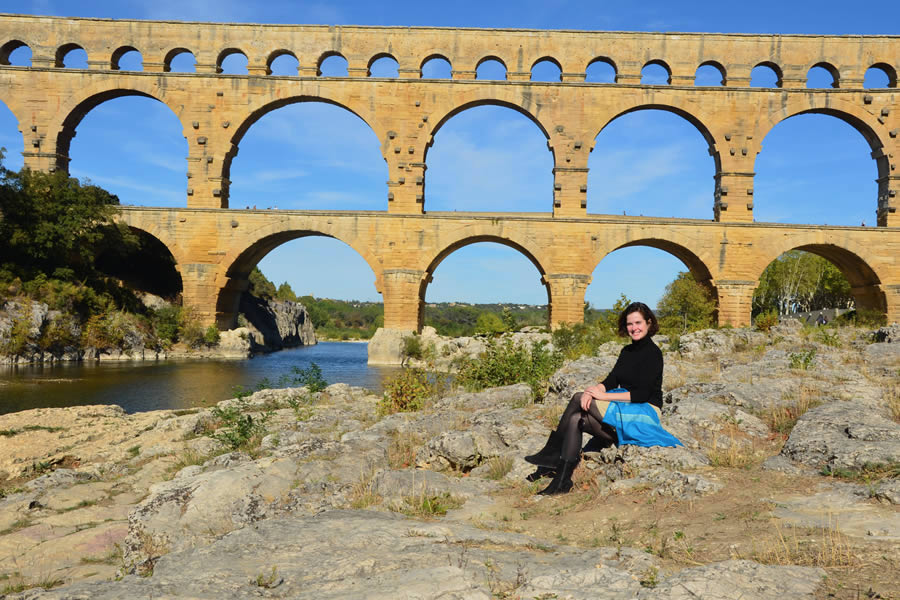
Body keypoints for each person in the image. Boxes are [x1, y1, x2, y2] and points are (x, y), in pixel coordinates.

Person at [524, 302, 682, 495]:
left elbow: (641, 394)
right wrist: (596, 389)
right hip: (626, 411)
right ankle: (562, 480)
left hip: (645, 412)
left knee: (577, 398)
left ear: (649, 323)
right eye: (630, 324)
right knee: (577, 419)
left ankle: (550, 459)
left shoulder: (653, 353)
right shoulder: (627, 352)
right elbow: (612, 379)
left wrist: (601, 396)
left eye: (638, 323)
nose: (634, 328)